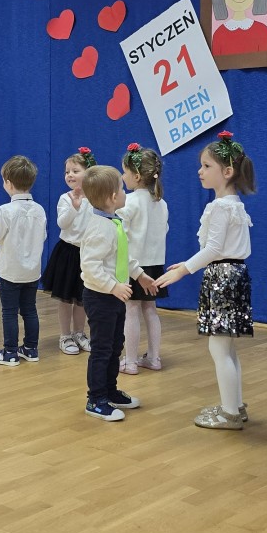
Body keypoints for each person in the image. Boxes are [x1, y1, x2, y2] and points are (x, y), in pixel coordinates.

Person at [156, 130, 255, 430]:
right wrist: (187, 263)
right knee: (226, 347)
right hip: (230, 274)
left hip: (223, 277)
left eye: (206, 166)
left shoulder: (221, 206)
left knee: (219, 348)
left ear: (227, 171)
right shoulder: (232, 204)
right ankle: (234, 405)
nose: (200, 171)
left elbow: (213, 249)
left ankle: (230, 413)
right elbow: (216, 250)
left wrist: (182, 270)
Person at [78, 165, 152, 421]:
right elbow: (90, 267)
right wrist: (112, 286)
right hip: (100, 297)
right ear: (112, 198)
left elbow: (122, 257)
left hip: (115, 296)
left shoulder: (113, 222)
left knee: (115, 345)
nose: (124, 193)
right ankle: (95, 399)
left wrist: (139, 274)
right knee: (102, 349)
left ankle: (110, 390)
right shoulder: (99, 228)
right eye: (121, 189)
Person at [0, 155, 46, 366]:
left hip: (11, 272)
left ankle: (10, 352)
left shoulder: (5, 211)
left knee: (9, 312)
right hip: (32, 272)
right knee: (30, 309)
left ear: (8, 183)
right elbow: (43, 236)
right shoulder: (39, 210)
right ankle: (31, 348)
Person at [118, 143, 168, 374]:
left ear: (136, 176)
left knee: (131, 310)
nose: (122, 176)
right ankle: (154, 358)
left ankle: (130, 361)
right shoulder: (161, 203)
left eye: (125, 172)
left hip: (135, 265)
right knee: (150, 309)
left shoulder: (129, 201)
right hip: (155, 264)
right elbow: (163, 230)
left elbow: (121, 235)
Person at [41, 147, 96, 356]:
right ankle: (65, 335)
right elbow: (62, 223)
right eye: (67, 172)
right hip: (68, 253)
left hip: (87, 254)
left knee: (82, 298)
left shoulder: (95, 198)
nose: (70, 175)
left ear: (89, 173)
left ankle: (79, 333)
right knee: (65, 298)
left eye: (75, 171)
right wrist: (74, 207)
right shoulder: (65, 198)